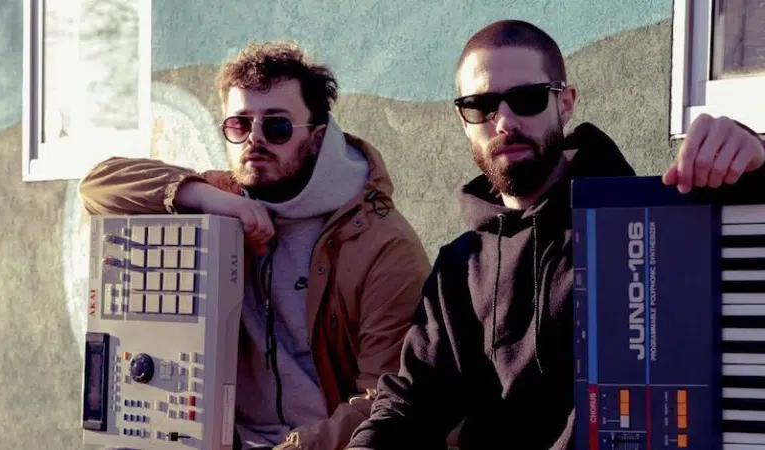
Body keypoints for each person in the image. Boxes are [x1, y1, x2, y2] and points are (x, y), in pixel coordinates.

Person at [345, 19, 765, 450]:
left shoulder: (650, 227)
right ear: (462, 119)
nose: (504, 121)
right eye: (481, 105)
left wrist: (751, 157)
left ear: (565, 103)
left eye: (527, 99)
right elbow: (411, 402)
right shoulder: (459, 265)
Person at [78, 40, 431, 450]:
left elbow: (383, 400)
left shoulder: (382, 244)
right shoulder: (222, 198)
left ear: (316, 138)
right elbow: (98, 186)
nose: (254, 139)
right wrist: (207, 198)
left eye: (277, 126)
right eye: (239, 125)